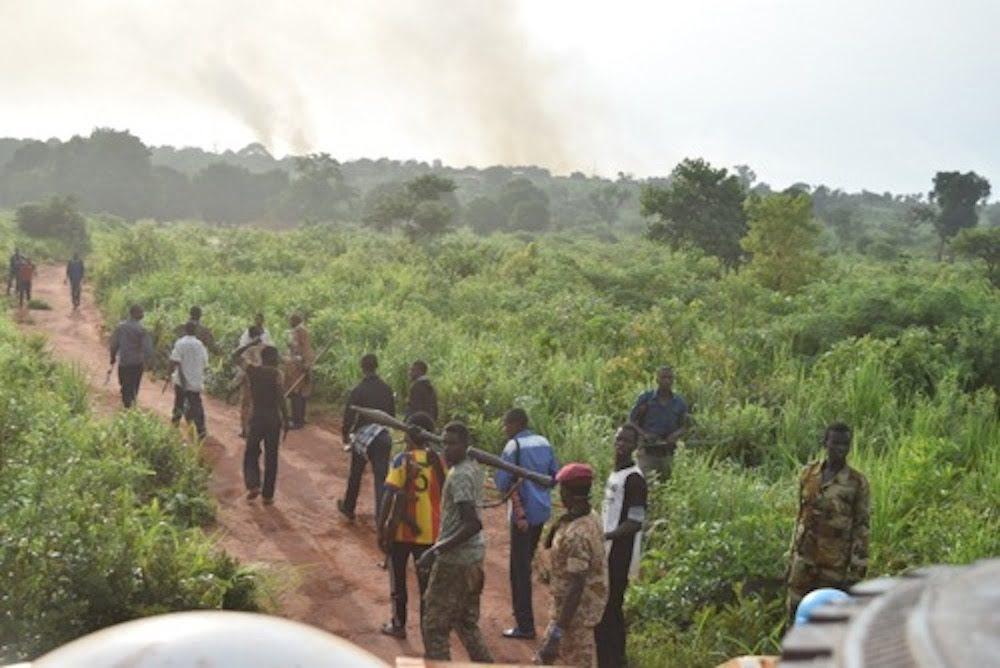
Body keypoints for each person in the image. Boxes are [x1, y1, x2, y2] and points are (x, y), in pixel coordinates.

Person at [415, 422, 494, 663]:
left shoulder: (460, 474)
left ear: (465, 445)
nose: (446, 449)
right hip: (473, 559)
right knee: (466, 623)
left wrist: (436, 550)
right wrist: (436, 465)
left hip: (455, 561)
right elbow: (451, 492)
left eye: (452, 444)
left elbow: (472, 524)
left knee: (434, 626)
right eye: (444, 443)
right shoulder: (469, 468)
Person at [785, 422, 870, 626]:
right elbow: (800, 516)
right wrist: (791, 556)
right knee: (795, 615)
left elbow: (862, 528)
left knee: (827, 621)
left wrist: (855, 574)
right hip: (804, 559)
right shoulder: (808, 474)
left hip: (833, 564)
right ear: (825, 443)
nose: (841, 448)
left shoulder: (856, 482)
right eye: (836, 443)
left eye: (845, 444)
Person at [377, 411, 446, 639]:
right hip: (430, 532)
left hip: (401, 533)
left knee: (398, 581)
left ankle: (399, 625)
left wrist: (382, 527)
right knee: (426, 584)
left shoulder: (402, 460)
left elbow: (389, 495)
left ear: (409, 434)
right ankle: (428, 630)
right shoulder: (439, 461)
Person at [535, 463, 608, 667]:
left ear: (568, 492)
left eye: (561, 489)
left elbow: (576, 585)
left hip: (575, 615)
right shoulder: (590, 516)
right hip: (572, 611)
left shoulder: (577, 535)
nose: (559, 493)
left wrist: (558, 632)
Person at [495, 408, 558, 640]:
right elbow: (554, 476)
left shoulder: (513, 447)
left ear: (516, 424)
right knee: (527, 561)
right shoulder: (544, 442)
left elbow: (502, 483)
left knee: (519, 570)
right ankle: (524, 619)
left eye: (506, 425)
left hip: (521, 515)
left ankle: (525, 625)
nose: (504, 429)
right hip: (541, 512)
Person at [595, 424, 647, 668]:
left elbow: (635, 522)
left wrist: (608, 536)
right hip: (606, 550)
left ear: (635, 446)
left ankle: (615, 659)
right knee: (604, 609)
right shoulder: (616, 473)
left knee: (612, 608)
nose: (621, 445)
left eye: (626, 441)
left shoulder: (635, 479)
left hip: (619, 554)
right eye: (618, 440)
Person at [338, 353, 396, 521]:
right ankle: (382, 517)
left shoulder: (359, 389)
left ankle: (349, 507)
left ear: (362, 367)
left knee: (356, 473)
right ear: (376, 366)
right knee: (381, 478)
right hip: (383, 436)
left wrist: (345, 435)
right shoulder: (386, 388)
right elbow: (391, 415)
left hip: (364, 437)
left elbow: (349, 415)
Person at [243, 346, 289, 505]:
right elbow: (281, 397)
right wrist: (286, 418)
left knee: (251, 452)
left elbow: (235, 355)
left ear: (262, 358)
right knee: (272, 456)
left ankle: (253, 484)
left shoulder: (253, 371)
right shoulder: (277, 374)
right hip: (273, 418)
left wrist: (251, 343)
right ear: (274, 358)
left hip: (257, 417)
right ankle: (268, 495)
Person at [628, 365, 689, 479]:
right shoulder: (646, 398)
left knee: (666, 486)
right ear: (657, 380)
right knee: (645, 485)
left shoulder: (679, 402)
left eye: (670, 378)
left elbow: (685, 426)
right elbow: (631, 421)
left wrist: (675, 435)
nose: (667, 381)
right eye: (663, 377)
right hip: (647, 451)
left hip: (668, 453)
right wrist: (644, 434)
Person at [169, 321, 209, 439]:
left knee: (179, 403)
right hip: (195, 381)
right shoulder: (200, 345)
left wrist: (169, 372)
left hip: (181, 381)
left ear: (185, 330)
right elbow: (205, 363)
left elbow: (174, 360)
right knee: (196, 405)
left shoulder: (180, 343)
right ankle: (201, 430)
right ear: (195, 331)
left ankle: (175, 426)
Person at [109, 304, 154, 408]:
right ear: (135, 314)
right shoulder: (142, 330)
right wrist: (149, 362)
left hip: (124, 362)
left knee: (124, 384)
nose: (142, 314)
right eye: (141, 312)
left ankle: (126, 404)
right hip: (137, 363)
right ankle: (130, 405)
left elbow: (114, 344)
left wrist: (112, 357)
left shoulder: (120, 327)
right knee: (134, 386)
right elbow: (148, 349)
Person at [230, 325, 266, 438]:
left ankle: (246, 430)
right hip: (263, 380)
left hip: (250, 380)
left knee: (246, 405)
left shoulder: (247, 350)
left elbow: (235, 356)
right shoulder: (266, 348)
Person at [284, 314, 315, 429]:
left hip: (299, 367)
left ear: (295, 321)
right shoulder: (299, 331)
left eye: (291, 320)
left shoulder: (300, 331)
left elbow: (305, 349)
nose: (289, 322)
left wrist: (306, 364)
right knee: (300, 393)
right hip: (297, 366)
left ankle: (297, 421)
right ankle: (299, 418)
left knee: (296, 393)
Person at [404, 360, 438, 425]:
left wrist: (407, 423)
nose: (409, 373)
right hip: (429, 423)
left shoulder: (416, 387)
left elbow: (414, 409)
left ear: (419, 371)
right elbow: (435, 409)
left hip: (418, 424)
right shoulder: (430, 386)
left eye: (412, 370)